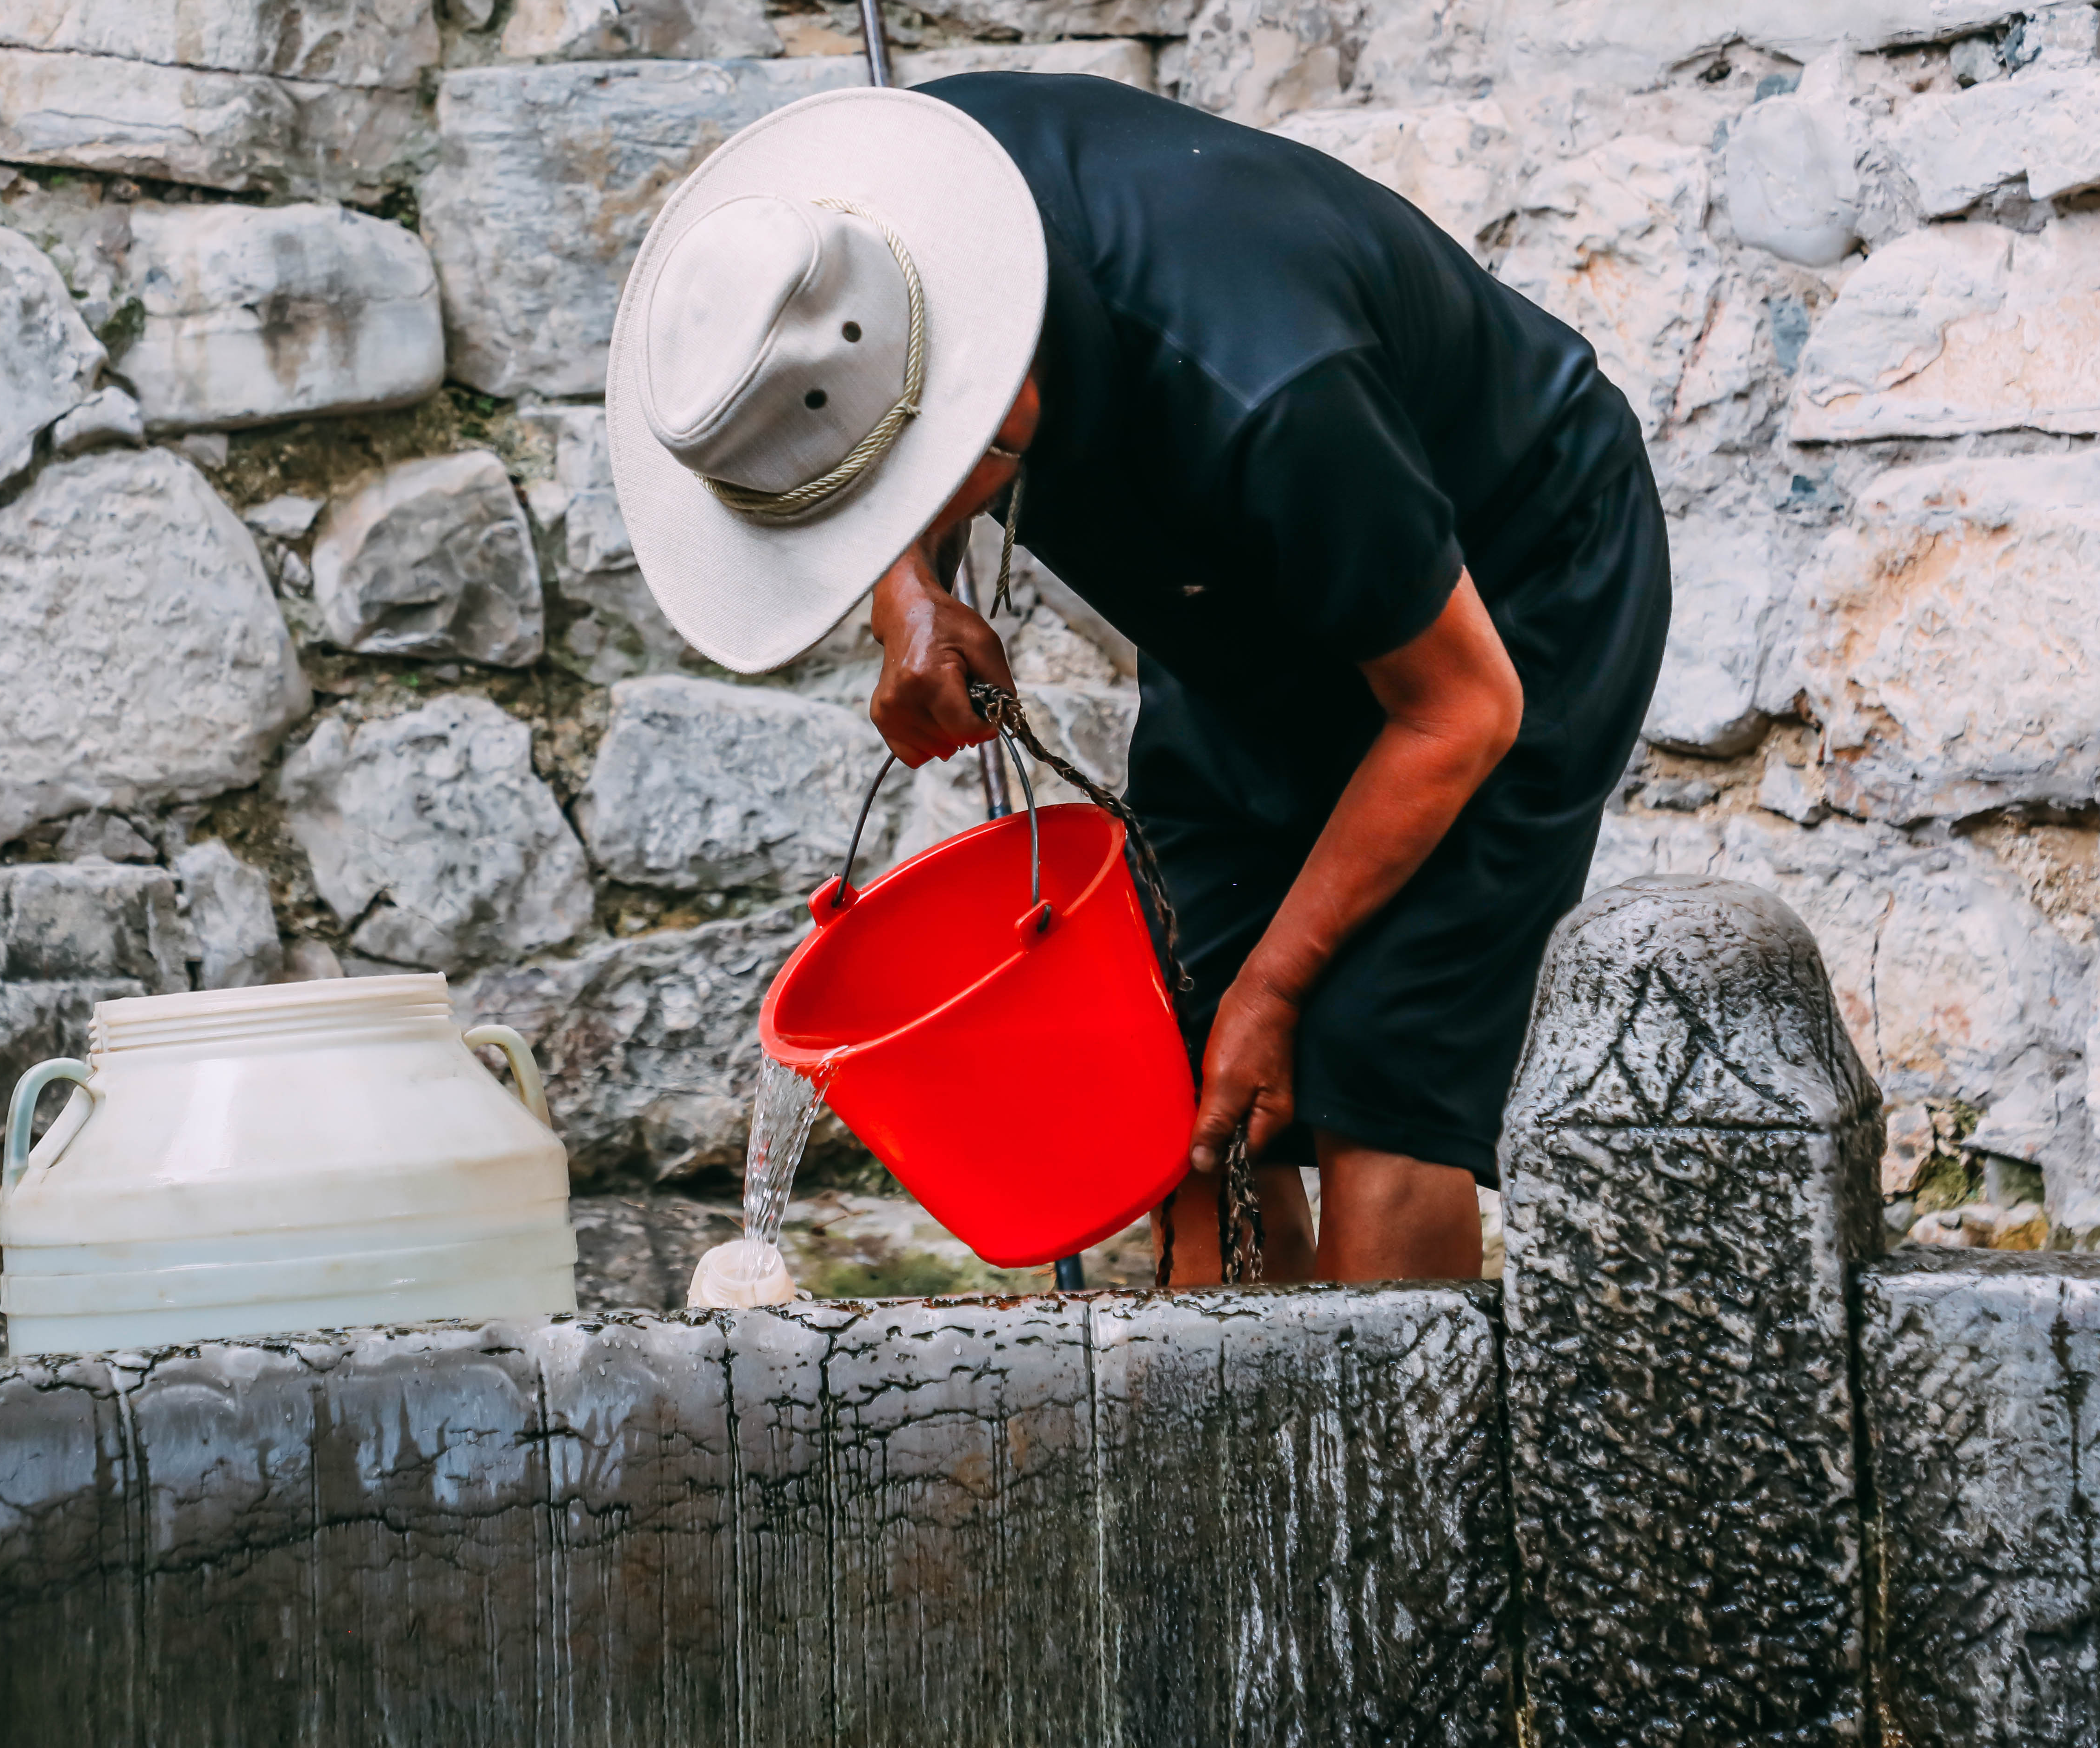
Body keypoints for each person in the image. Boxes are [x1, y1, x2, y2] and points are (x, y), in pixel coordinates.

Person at [605, 75, 1669, 1286]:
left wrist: (1280, 985)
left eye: (891, 506)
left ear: (990, 411)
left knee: (1384, 1066)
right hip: (1234, 582)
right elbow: (867, 438)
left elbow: (1461, 710)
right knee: (1176, 1069)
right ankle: (1235, 1465)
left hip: (1512, 577)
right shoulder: (885, 225)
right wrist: (909, 587)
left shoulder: (1266, 392)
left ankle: (1391, 1473)